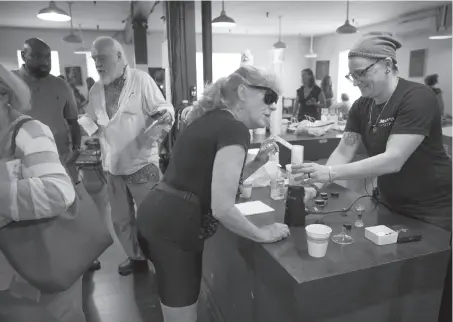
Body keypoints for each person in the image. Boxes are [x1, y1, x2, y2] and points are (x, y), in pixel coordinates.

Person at [293, 32, 452, 322]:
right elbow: (344, 150)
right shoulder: (361, 106)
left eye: (362, 73)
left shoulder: (417, 97)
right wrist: (315, 185)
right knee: (393, 276)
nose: (356, 81)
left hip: (434, 207)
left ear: (388, 64)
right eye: (351, 75)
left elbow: (393, 159)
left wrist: (329, 172)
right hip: (392, 201)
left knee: (432, 283)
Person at [136, 65, 291, 322]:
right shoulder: (234, 129)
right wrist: (262, 234)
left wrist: (257, 163)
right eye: (269, 98)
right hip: (174, 229)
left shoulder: (211, 120)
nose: (274, 107)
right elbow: (222, 207)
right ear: (243, 92)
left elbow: (209, 181)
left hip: (158, 218)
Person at [81, 36, 175, 276]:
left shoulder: (141, 81)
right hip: (112, 165)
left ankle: (163, 258)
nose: (97, 64)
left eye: (102, 58)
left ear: (120, 56)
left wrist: (162, 119)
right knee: (121, 219)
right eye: (94, 59)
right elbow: (92, 120)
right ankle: (136, 256)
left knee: (152, 217)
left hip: (141, 163)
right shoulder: (95, 90)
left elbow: (164, 109)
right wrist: (86, 128)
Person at [0, 64, 84, 321]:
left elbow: (58, 192)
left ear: (3, 94)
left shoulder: (28, 132)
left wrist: (76, 147)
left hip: (38, 264)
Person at [13, 38, 81, 184]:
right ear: (24, 56)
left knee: (66, 202)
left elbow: (73, 121)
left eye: (47, 57)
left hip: (59, 160)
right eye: (38, 56)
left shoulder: (60, 85)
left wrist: (76, 149)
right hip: (21, 164)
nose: (45, 62)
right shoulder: (8, 84)